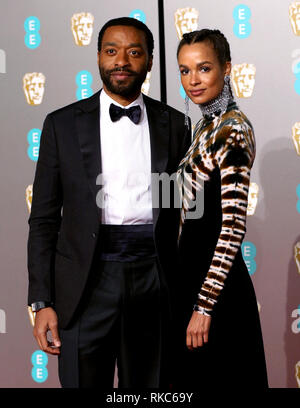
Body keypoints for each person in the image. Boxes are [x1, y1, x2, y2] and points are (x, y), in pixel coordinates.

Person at [27, 17, 191, 388]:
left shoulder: (177, 125)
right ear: (98, 57)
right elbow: (43, 221)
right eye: (112, 51)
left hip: (154, 281)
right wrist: (41, 300)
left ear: (149, 61)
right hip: (84, 286)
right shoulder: (61, 124)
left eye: (134, 53)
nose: (122, 61)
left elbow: (188, 215)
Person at [173, 29, 269, 388]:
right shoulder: (204, 126)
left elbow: (231, 228)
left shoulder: (233, 130)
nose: (193, 80)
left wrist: (204, 306)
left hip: (216, 296)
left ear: (227, 68)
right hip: (191, 284)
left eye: (203, 68)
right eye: (184, 71)